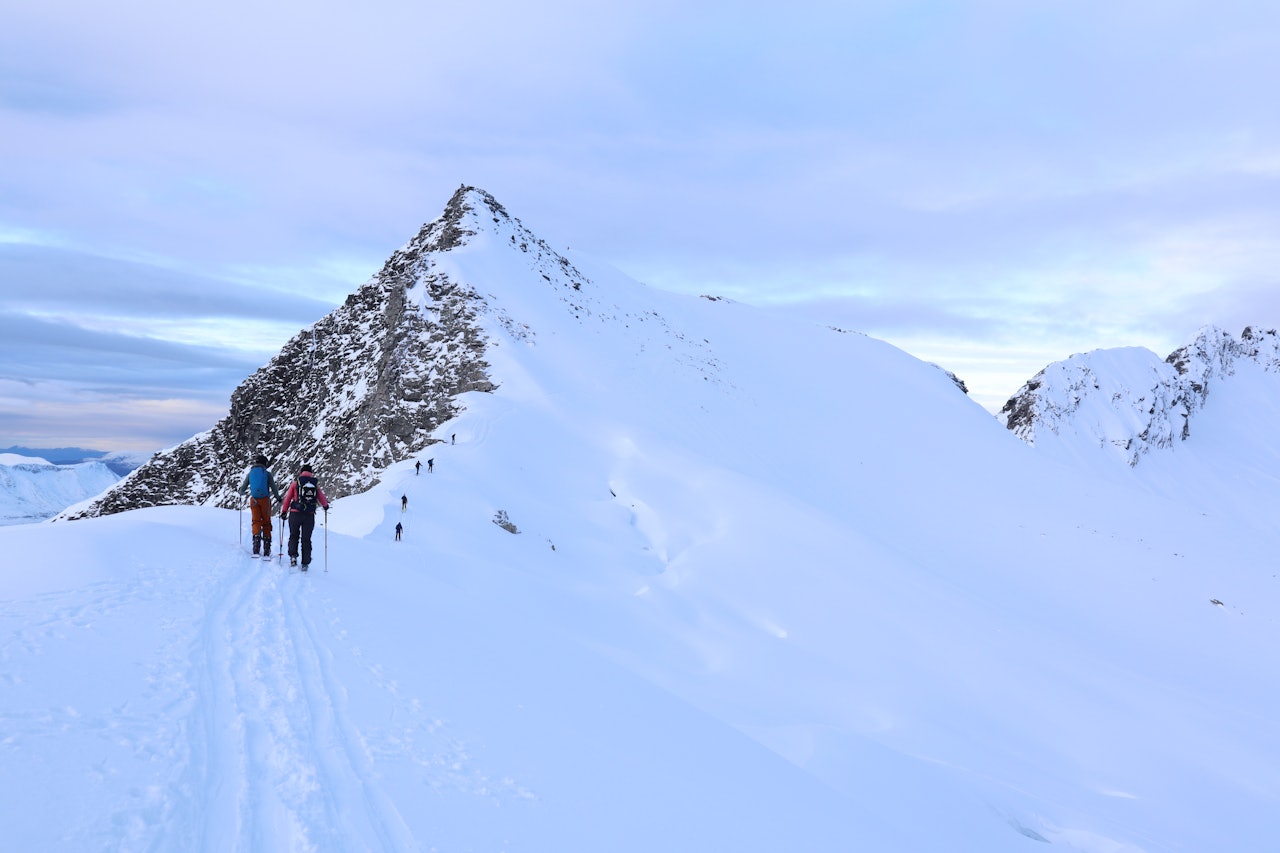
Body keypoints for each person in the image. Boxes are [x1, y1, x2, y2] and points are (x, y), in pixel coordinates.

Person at [280, 464, 330, 570]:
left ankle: (293, 556)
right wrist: (325, 506)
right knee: (306, 539)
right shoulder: (315, 485)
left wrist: (284, 511)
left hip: (295, 513)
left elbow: (288, 498)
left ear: (301, 472)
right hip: (309, 515)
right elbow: (322, 498)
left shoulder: (295, 483)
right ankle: (305, 563)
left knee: (294, 536)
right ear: (311, 473)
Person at [238, 455, 282, 556]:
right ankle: (267, 549)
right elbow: (273, 487)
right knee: (266, 522)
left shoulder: (250, 473)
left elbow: (243, 489)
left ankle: (256, 547)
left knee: (256, 521)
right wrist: (278, 497)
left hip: (254, 500)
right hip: (265, 500)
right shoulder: (267, 474)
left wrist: (241, 492)